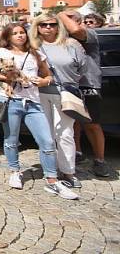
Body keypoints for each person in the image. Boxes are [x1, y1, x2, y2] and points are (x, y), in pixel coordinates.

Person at [0, 23, 78, 200]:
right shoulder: (1, 53)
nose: (20, 36)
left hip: (33, 102)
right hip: (11, 100)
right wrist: (7, 78)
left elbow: (48, 74)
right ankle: (15, 171)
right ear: (8, 37)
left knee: (47, 141)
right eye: (15, 33)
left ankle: (52, 180)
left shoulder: (35, 53)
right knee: (11, 139)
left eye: (22, 33)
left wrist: (44, 82)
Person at [30, 13, 85, 188]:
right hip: (40, 93)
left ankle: (68, 172)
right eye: (43, 24)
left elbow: (83, 68)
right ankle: (50, 171)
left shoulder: (71, 44)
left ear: (58, 26)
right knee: (46, 135)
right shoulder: (33, 46)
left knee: (66, 134)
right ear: (37, 27)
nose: (48, 27)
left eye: (52, 24)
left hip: (66, 94)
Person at [59, 10, 110, 177]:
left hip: (89, 84)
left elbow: (75, 30)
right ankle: (77, 153)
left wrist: (61, 14)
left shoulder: (90, 34)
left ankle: (100, 161)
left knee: (92, 124)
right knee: (72, 123)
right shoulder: (62, 40)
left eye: (69, 19)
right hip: (69, 84)